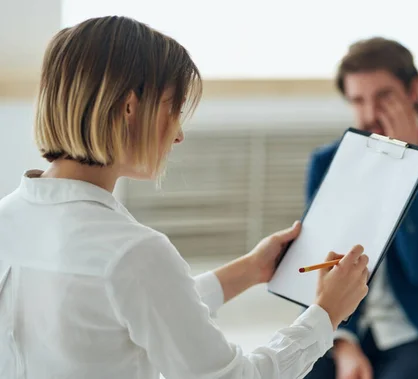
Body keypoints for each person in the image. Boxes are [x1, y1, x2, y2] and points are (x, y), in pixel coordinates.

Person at [0, 16, 370, 379]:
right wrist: (325, 314)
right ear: (130, 107)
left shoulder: (9, 217)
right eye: (173, 108)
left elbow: (129, 308)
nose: (178, 134)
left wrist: (249, 270)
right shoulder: (133, 252)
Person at [304, 37, 418, 379]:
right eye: (358, 100)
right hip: (343, 326)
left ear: (413, 90)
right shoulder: (328, 163)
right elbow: (318, 270)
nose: (371, 113)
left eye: (384, 96)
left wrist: (408, 167)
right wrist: (342, 342)